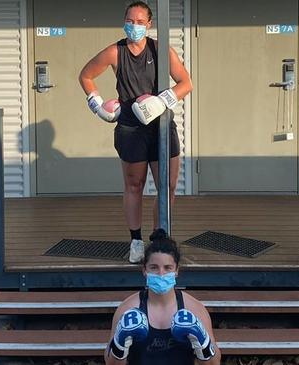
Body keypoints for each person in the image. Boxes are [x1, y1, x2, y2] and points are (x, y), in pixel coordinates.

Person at [78, 1, 192, 264]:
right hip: (131, 129)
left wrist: (162, 100)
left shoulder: (161, 50)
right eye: (130, 20)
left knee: (168, 186)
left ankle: (159, 237)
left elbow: (186, 83)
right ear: (124, 21)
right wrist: (97, 105)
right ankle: (136, 241)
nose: (135, 26)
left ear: (149, 24)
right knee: (134, 185)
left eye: (140, 22)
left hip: (161, 126)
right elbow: (86, 75)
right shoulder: (114, 52)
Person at [105, 236, 221, 365]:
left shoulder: (194, 309)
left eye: (167, 268)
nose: (161, 274)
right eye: (154, 267)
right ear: (144, 270)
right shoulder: (127, 309)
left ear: (177, 270)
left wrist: (203, 343)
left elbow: (214, 363)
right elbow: (111, 363)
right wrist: (119, 344)